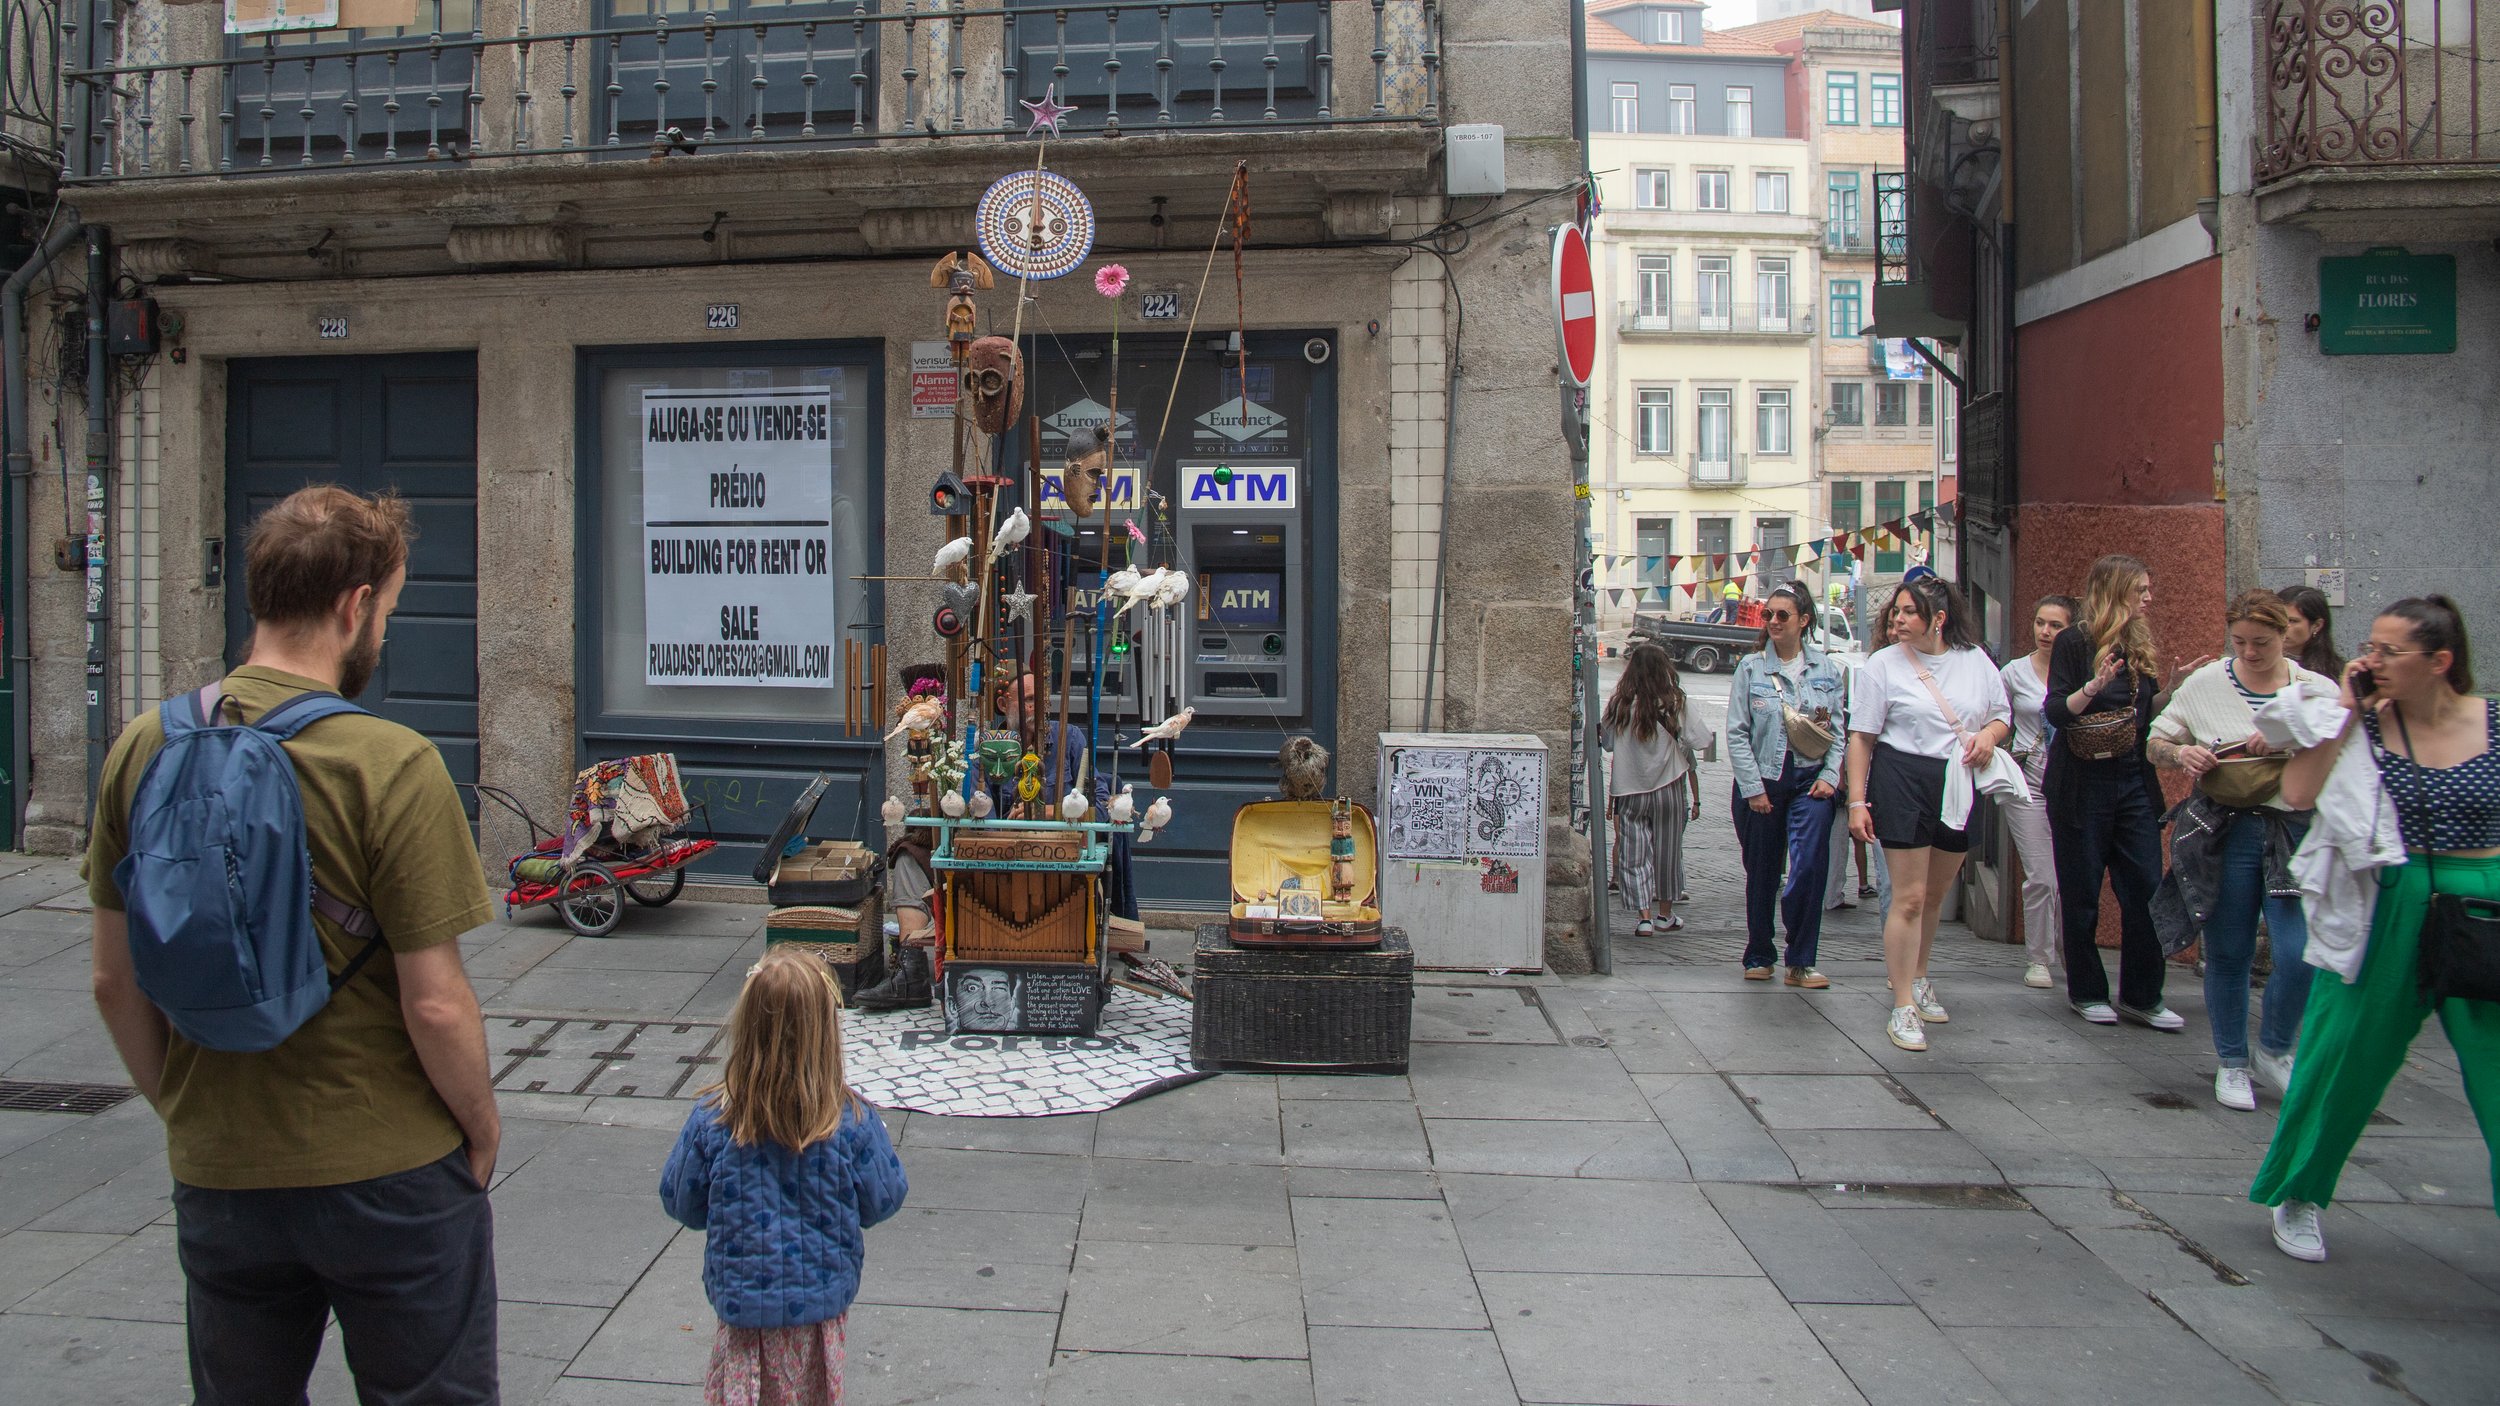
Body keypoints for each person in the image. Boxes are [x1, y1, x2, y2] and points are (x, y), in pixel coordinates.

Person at [84, 486, 503, 1403]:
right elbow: (434, 1001)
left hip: (221, 1172)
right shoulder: (391, 762)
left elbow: (115, 984)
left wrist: (186, 1114)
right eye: (386, 609)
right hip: (388, 1170)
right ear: (356, 606)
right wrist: (479, 1128)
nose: (383, 629)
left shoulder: (142, 745)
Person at [2253, 596, 2500, 1263]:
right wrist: (2348, 716)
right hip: (2392, 898)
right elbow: (2298, 793)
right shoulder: (2361, 724)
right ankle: (2298, 1191)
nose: (2373, 661)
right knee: (2343, 1052)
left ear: (2440, 661)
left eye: (2391, 652)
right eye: (2371, 646)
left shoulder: (2494, 722)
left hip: (2484, 898)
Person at [662, 950, 909, 1403]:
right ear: (826, 1035)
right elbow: (885, 1198)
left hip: (743, 1313)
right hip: (819, 1308)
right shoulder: (849, 1122)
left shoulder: (714, 1121)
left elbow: (681, 1201)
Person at [2151, 591, 2331, 1111]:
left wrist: (2287, 744)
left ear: (2287, 636)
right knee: (2228, 951)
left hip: (2293, 827)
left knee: (2297, 953)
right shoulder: (2207, 684)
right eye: (2240, 642)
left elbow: (2344, 747)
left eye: (2263, 642)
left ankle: (2274, 1048)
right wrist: (2181, 751)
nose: (2250, 653)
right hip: (2223, 828)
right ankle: (2231, 1062)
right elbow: (2156, 741)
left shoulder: (2314, 690)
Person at [1846, 576, 2013, 1051]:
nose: (1897, 619)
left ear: (1938, 619)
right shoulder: (1883, 664)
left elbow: (2002, 714)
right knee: (1910, 896)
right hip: (1901, 777)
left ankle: (1919, 975)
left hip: (1958, 778)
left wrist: (1989, 737)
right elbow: (1863, 736)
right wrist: (1857, 800)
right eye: (1894, 611)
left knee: (1937, 895)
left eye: (1908, 612)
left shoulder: (1975, 661)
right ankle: (1901, 1003)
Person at [2044, 554, 2185, 1032]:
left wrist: (2173, 694)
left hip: (2133, 782)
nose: (2149, 598)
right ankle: (2086, 991)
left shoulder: (2138, 642)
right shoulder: (2074, 642)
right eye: (2140, 590)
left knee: (2145, 888)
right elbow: (2058, 712)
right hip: (2081, 783)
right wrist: (2093, 686)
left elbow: (2142, 718)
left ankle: (2144, 996)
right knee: (2082, 892)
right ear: (2114, 591)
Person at [1727, 582, 1848, 983]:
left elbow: (1839, 730)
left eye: (1782, 615)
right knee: (1761, 871)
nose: (1773, 622)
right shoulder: (1751, 669)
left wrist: (1831, 776)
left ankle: (1801, 959)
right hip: (1763, 780)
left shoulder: (1828, 670)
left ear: (1804, 620)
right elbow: (1737, 732)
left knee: (1809, 865)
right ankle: (1759, 953)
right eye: (1768, 615)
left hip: (1810, 782)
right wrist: (1753, 788)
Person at [1602, 642, 1710, 936]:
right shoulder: (1675, 701)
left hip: (1629, 789)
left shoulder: (1620, 704)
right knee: (1667, 853)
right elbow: (1702, 740)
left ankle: (1644, 918)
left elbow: (1608, 742)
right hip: (1669, 786)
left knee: (1633, 855)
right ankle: (1665, 915)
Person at [2000, 594, 2081, 989]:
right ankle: (2039, 958)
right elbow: (1994, 715)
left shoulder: (2082, 669)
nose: (2046, 632)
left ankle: (2073, 953)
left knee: (2071, 875)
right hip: (2029, 776)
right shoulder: (2014, 673)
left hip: (2072, 777)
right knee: (2042, 875)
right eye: (2040, 623)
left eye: (2056, 625)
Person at [2280, 585, 2346, 678]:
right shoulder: (2261, 665)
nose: (2281, 626)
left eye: (2292, 621)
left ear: (2317, 625)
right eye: (2278, 619)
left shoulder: (2339, 673)